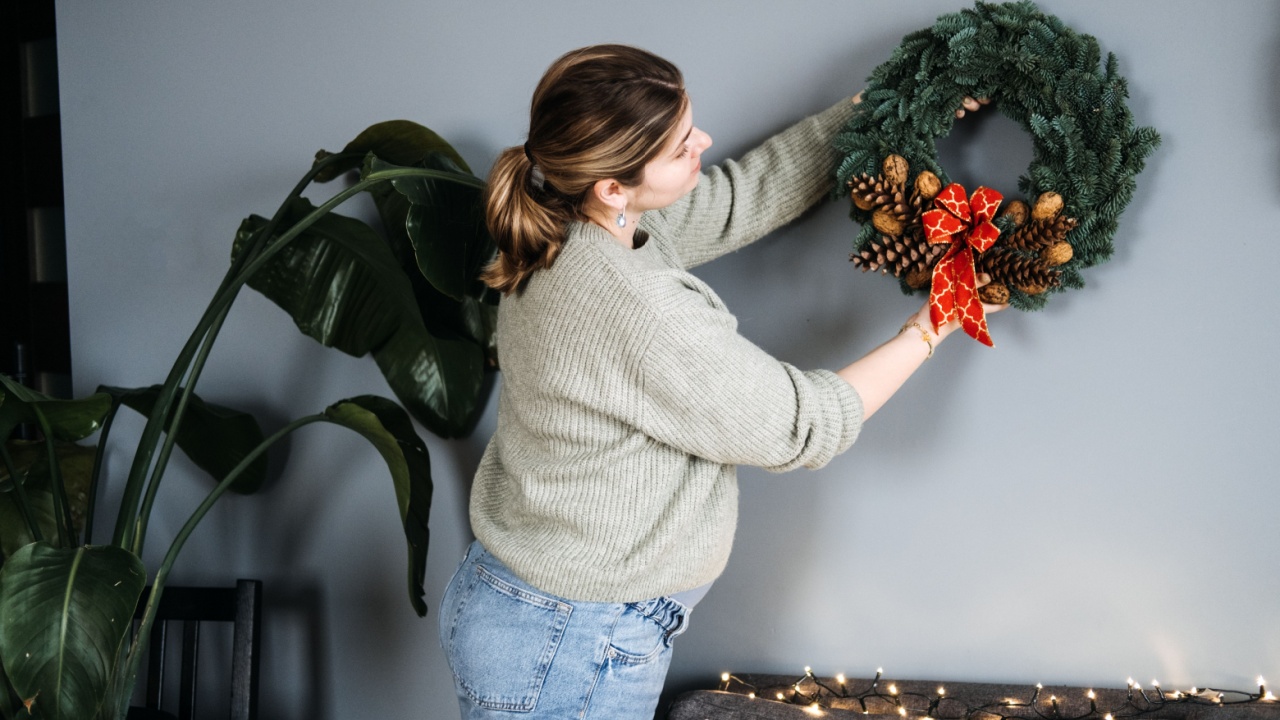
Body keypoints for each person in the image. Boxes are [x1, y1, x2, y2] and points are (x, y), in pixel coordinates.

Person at [438, 44, 998, 719]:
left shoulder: (572, 221)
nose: (702, 142)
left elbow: (744, 193)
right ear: (613, 185)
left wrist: (882, 112)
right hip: (570, 642)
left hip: (535, 615)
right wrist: (933, 325)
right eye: (679, 148)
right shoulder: (633, 306)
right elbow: (805, 423)